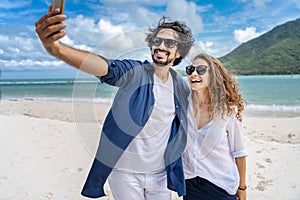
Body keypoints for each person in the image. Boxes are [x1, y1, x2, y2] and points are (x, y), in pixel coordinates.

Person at [35, 6, 194, 200]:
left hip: (160, 175)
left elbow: (199, 112)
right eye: (157, 40)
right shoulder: (135, 71)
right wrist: (58, 50)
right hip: (125, 173)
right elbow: (107, 68)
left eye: (169, 43)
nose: (161, 46)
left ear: (178, 53)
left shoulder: (181, 86)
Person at [182, 53, 247, 200]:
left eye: (201, 70)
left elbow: (239, 152)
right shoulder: (183, 106)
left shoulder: (228, 110)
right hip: (190, 185)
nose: (194, 73)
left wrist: (242, 187)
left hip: (220, 186)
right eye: (190, 69)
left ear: (213, 75)